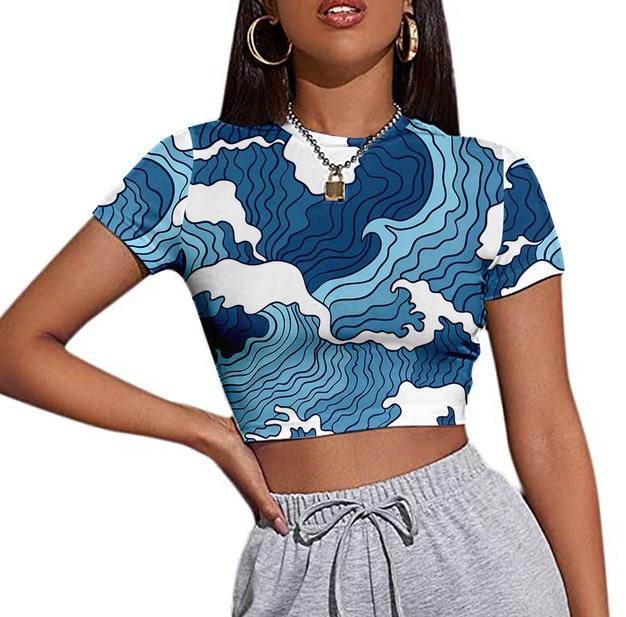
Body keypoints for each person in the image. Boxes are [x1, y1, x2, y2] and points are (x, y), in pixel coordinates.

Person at [0, 1, 610, 616]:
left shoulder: (491, 179)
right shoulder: (190, 172)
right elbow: (15, 348)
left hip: (478, 563)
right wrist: (206, 432)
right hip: (295, 559)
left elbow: (549, 430)